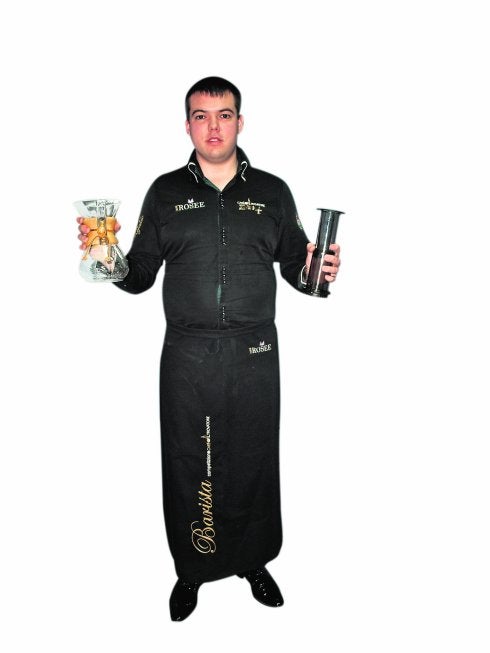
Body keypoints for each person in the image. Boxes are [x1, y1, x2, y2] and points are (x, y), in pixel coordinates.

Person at [77, 77, 341, 621]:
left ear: (240, 122)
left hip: (255, 350)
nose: (213, 126)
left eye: (224, 115)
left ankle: (253, 560)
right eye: (202, 116)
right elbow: (140, 275)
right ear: (188, 125)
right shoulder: (165, 192)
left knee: (253, 459)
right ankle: (193, 567)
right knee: (187, 458)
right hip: (188, 354)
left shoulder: (272, 191)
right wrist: (108, 260)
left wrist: (320, 270)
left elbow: (298, 265)